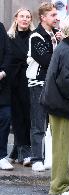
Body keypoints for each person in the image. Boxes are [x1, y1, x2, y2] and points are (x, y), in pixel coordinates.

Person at [40, 15, 69, 195]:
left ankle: (65, 184)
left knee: (66, 147)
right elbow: (67, 80)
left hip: (60, 105)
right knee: (62, 148)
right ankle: (59, 187)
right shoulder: (67, 51)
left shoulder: (64, 48)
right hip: (63, 106)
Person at [27, 2, 59, 172]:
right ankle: (36, 158)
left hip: (53, 84)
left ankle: (49, 156)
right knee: (39, 122)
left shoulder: (55, 34)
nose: (57, 18)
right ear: (43, 17)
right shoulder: (36, 36)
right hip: (38, 83)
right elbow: (47, 61)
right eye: (53, 15)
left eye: (56, 14)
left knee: (52, 123)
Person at [7, 8, 35, 166]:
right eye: (22, 16)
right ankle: (22, 151)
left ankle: (19, 151)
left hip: (29, 81)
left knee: (27, 116)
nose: (25, 19)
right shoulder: (9, 37)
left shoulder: (34, 36)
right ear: (16, 18)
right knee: (17, 117)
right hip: (13, 82)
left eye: (28, 17)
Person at [0, 22, 13, 170]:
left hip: (2, 84)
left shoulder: (0, 27)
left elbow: (8, 53)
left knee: (5, 117)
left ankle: (2, 156)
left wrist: (3, 72)